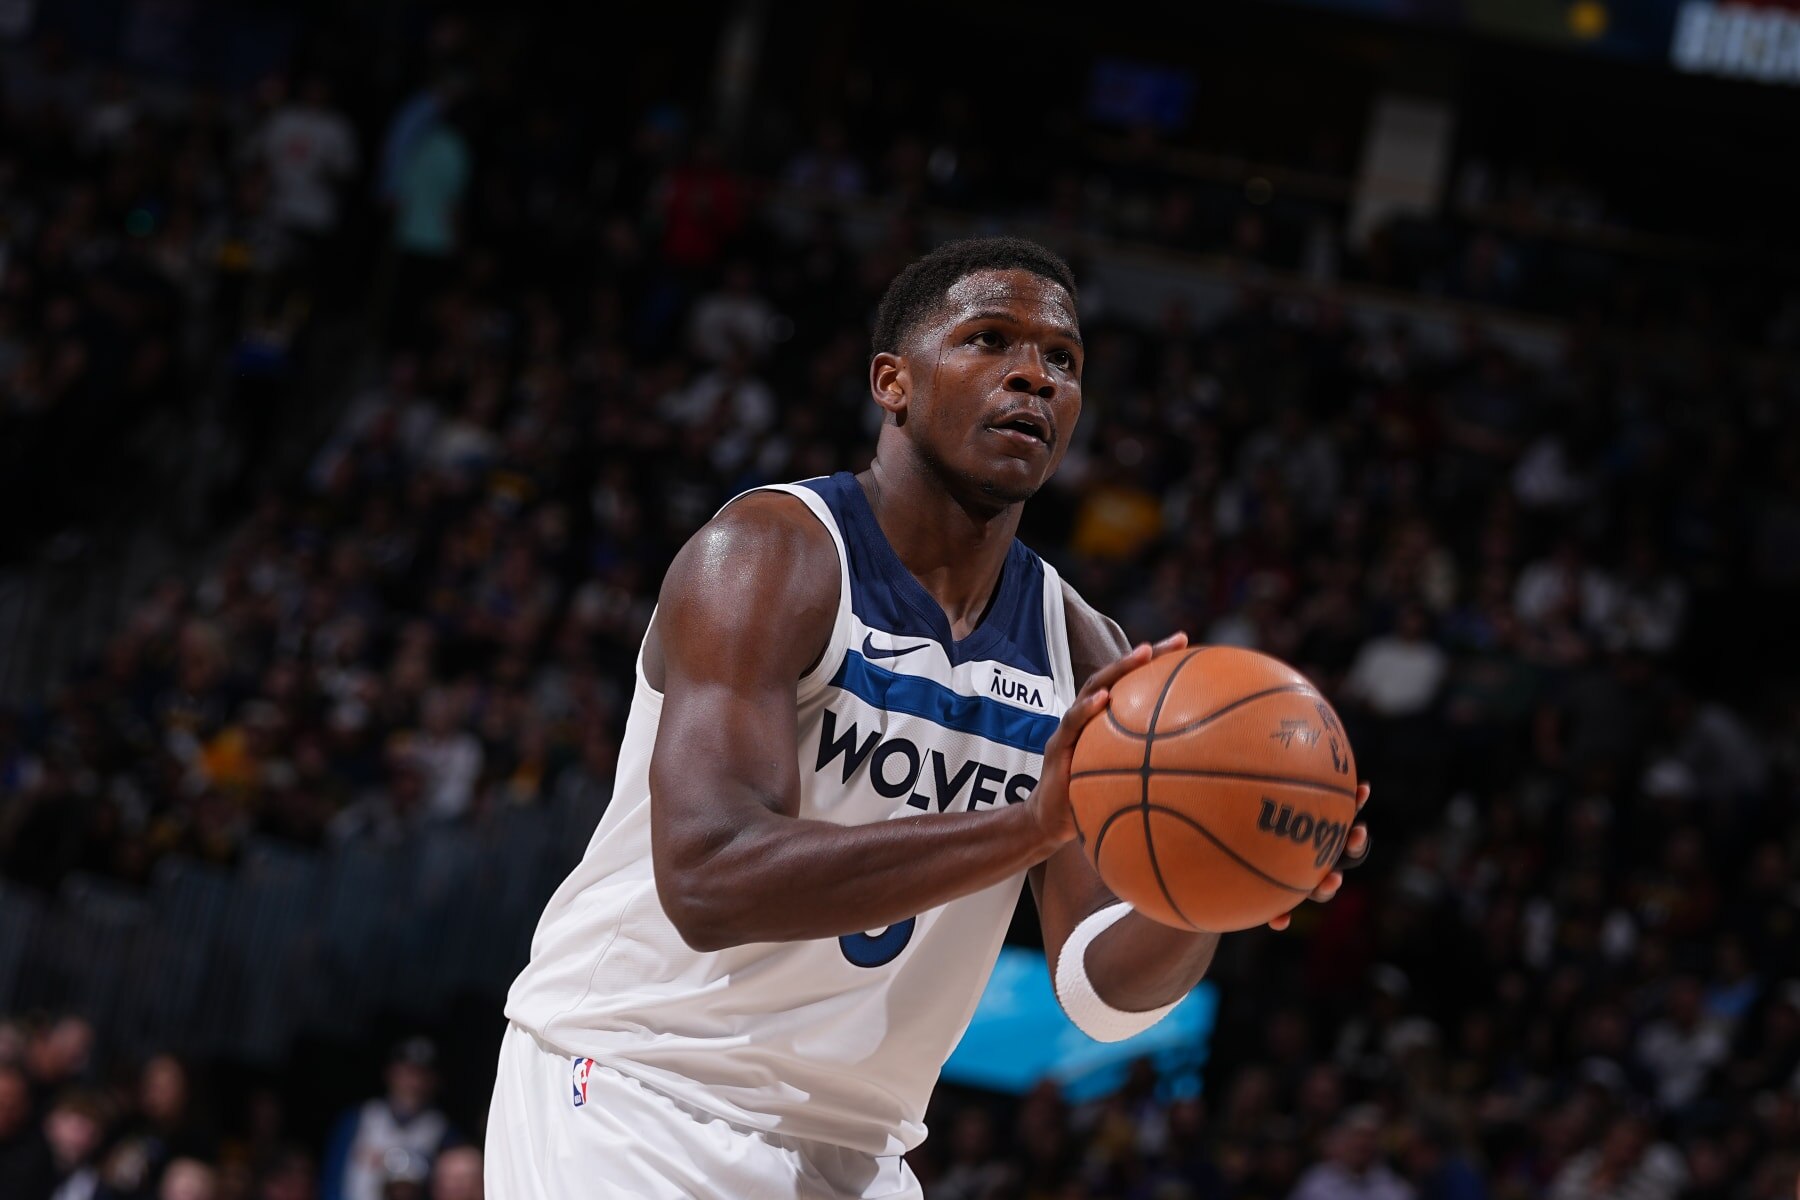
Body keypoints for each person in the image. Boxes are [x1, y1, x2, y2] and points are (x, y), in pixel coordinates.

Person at [486, 237, 1372, 1198]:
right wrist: (1030, 825)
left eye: (1062, 360)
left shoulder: (1085, 652)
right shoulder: (768, 555)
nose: (1033, 375)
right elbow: (710, 879)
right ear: (892, 383)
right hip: (637, 1091)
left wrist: (1207, 890)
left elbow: (1101, 994)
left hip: (861, 1150)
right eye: (991, 341)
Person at [322, 1038, 456, 1200]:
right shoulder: (359, 1118)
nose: (414, 1083)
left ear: (435, 1081)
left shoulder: (442, 1132)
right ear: (390, 1073)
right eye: (407, 1073)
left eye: (422, 1075)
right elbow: (330, 1178)